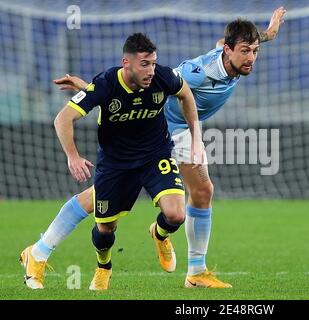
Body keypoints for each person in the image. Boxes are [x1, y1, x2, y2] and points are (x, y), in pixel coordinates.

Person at [21, 7, 286, 289]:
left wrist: (269, 33)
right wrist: (92, 89)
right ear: (230, 51)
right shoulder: (196, 73)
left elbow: (238, 42)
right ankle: (39, 250)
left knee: (202, 191)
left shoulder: (230, 53)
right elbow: (149, 83)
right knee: (96, 199)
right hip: (157, 130)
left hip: (176, 131)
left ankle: (193, 268)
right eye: (245, 51)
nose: (251, 57)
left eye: (254, 51)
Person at [19, 32, 203, 290]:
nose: (151, 70)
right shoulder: (105, 83)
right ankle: (103, 267)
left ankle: (159, 234)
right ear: (126, 63)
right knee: (105, 229)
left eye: (153, 63)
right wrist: (73, 156)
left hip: (155, 155)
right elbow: (63, 118)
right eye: (144, 64)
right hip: (116, 164)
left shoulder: (162, 76)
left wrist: (197, 141)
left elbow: (186, 95)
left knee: (175, 214)